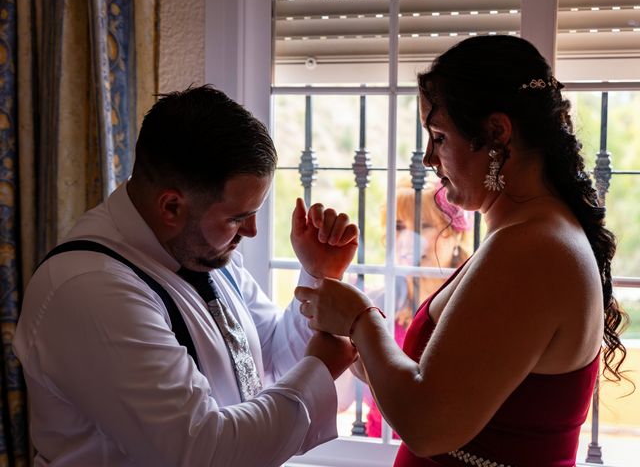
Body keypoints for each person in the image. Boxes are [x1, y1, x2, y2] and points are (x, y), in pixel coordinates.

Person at [295, 35, 629, 467]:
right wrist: (332, 289)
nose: (429, 158)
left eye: (438, 136)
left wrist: (360, 318)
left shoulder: (535, 249)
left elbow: (428, 425)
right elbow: (406, 387)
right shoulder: (522, 235)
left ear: (495, 133)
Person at [13, 85, 360, 467]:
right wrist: (319, 372)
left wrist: (317, 276)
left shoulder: (203, 254)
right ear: (172, 206)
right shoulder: (90, 289)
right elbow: (201, 451)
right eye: (237, 217)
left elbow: (271, 359)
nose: (252, 232)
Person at [365, 178, 472, 438]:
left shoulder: (473, 301)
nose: (407, 240)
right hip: (374, 445)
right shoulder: (378, 302)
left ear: (456, 234)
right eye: (399, 227)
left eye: (422, 226)